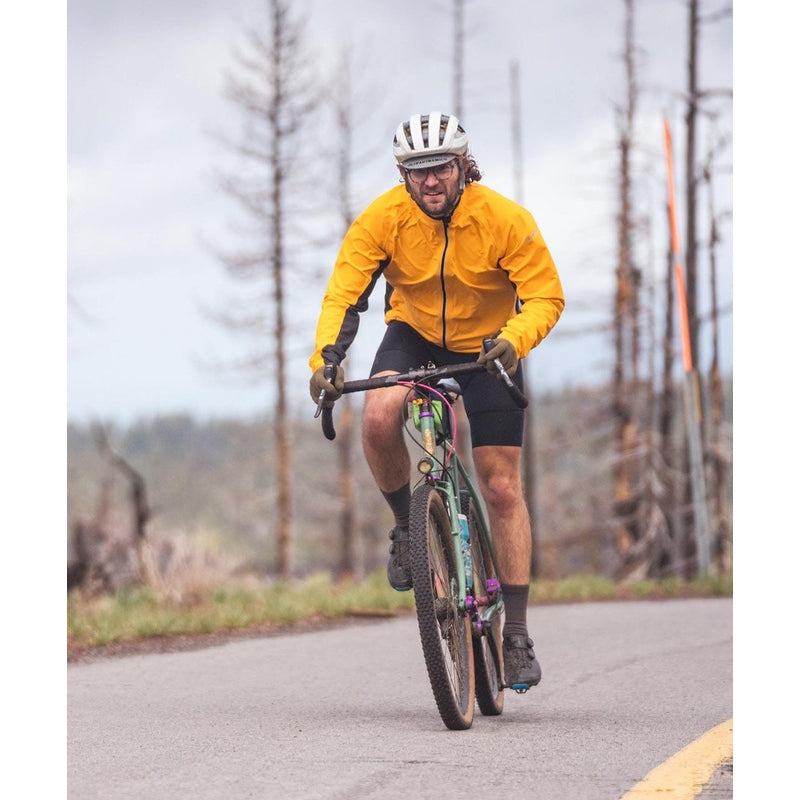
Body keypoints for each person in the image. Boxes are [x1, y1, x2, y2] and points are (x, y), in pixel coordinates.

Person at [308, 111, 564, 690]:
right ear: (403, 174)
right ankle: (408, 528)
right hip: (415, 333)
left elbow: (546, 296)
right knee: (378, 414)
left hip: (490, 345)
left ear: (463, 165)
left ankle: (516, 633)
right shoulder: (382, 220)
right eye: (417, 170)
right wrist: (325, 361)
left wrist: (514, 341)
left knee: (501, 487)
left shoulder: (504, 219)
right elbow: (343, 296)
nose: (430, 180)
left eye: (441, 167)